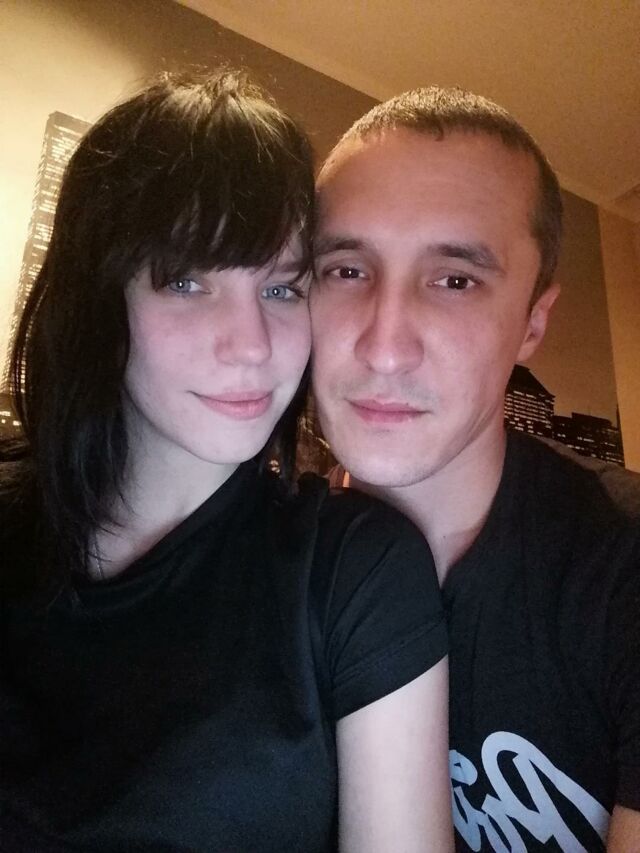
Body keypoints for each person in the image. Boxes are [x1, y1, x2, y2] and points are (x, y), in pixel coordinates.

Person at [0, 72, 453, 852]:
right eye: (187, 280)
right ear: (101, 300)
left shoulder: (351, 572)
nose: (251, 346)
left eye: (282, 289)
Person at [310, 86, 640, 852]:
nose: (384, 347)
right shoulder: (260, 565)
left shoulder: (623, 569)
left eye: (455, 280)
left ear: (533, 323)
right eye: (347, 270)